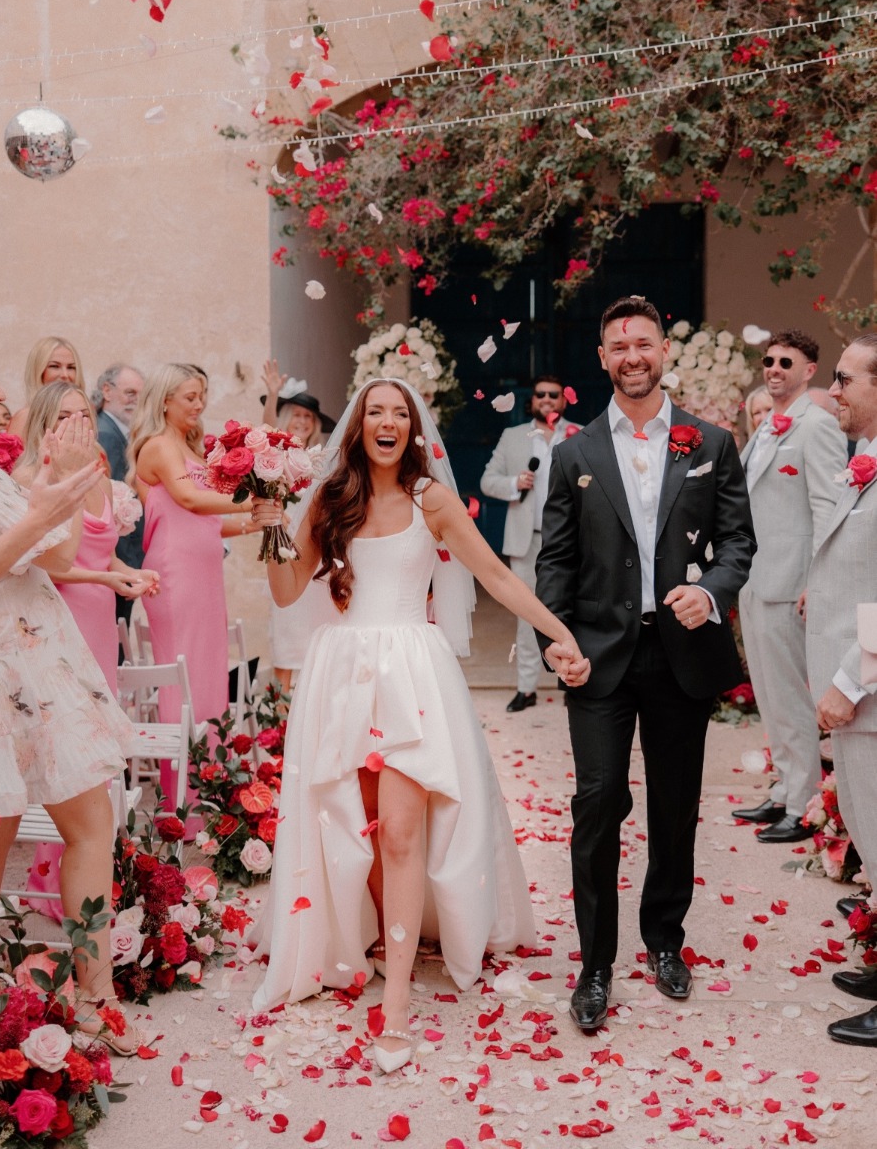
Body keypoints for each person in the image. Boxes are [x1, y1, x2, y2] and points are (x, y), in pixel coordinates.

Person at [248, 379, 588, 1073]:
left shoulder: (432, 499)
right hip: (343, 672)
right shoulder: (330, 500)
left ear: (413, 428)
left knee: (403, 832)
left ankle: (396, 1000)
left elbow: (494, 574)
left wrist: (558, 633)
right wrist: (272, 525)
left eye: (399, 413)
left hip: (410, 671)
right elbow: (288, 591)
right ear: (358, 425)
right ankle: (381, 940)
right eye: (375, 411)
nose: (388, 422)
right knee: (362, 826)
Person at [535, 295, 755, 1033]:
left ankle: (665, 940)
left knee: (673, 806)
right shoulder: (574, 455)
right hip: (598, 658)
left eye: (644, 342)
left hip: (679, 656)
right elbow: (556, 562)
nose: (632, 355)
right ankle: (595, 963)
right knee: (597, 803)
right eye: (618, 345)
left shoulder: (711, 445)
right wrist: (554, 642)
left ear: (664, 351)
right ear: (601, 359)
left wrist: (712, 593)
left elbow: (737, 544)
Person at [0, 345, 143, 1054]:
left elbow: (55, 554)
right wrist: (40, 504)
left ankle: (93, 993)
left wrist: (65, 478)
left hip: (45, 667)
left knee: (93, 824)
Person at [15, 382, 159, 919]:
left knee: (97, 755)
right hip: (61, 621)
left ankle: (95, 877)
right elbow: (52, 562)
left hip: (100, 623)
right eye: (65, 416)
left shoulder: (96, 479)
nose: (78, 424)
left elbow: (104, 553)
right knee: (67, 760)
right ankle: (50, 883)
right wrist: (105, 579)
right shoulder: (33, 480)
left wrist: (130, 573)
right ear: (47, 426)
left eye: (83, 414)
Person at [731, 331, 847, 842]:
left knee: (793, 699)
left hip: (791, 580)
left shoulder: (817, 426)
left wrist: (816, 579)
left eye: (786, 362)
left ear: (809, 371)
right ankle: (783, 788)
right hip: (756, 578)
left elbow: (828, 506)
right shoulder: (765, 429)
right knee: (770, 696)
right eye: (769, 360)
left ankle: (801, 802)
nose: (774, 368)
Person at [128, 364, 257, 809]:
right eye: (189, 396)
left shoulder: (190, 449)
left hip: (205, 575)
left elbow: (209, 522)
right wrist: (250, 499)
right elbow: (188, 500)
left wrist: (253, 524)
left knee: (208, 680)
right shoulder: (159, 447)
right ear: (165, 400)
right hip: (175, 574)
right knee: (181, 682)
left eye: (202, 395)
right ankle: (179, 803)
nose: (199, 404)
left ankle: (210, 794)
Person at [805, 333, 877, 1046]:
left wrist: (849, 682)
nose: (835, 391)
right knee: (868, 832)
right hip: (856, 696)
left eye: (847, 378)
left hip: (869, 693)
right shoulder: (866, 465)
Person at [480, 376, 575, 712]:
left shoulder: (579, 433)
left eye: (554, 394)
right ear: (531, 400)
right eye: (540, 395)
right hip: (526, 541)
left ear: (564, 400)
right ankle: (526, 687)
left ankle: (571, 682)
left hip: (570, 543)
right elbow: (487, 480)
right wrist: (513, 482)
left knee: (572, 614)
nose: (547, 399)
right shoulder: (512, 436)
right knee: (527, 617)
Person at [261, 366, 338, 694]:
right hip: (282, 552)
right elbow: (264, 434)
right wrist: (273, 396)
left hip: (316, 559)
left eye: (310, 417)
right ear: (286, 417)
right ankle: (278, 722)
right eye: (297, 415)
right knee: (286, 632)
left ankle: (312, 706)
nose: (304, 422)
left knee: (314, 639)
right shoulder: (276, 455)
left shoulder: (323, 459)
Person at [95, 364, 146, 630]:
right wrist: (125, 565)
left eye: (140, 394)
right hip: (120, 555)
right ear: (106, 391)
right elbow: (112, 503)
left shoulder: (119, 433)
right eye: (129, 392)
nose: (135, 400)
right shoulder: (106, 435)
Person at [8, 336, 84, 441]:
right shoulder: (26, 418)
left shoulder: (83, 415)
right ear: (38, 371)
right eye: (54, 366)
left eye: (71, 367)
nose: (65, 375)